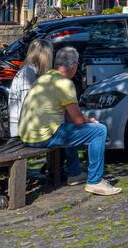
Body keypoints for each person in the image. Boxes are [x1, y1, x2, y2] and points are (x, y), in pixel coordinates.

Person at [17, 46, 121, 195]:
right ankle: (95, 181)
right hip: (43, 137)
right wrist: (91, 121)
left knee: (69, 127)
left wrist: (83, 121)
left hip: (27, 135)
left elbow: (70, 118)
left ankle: (74, 173)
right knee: (99, 131)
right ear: (74, 66)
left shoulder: (44, 78)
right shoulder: (65, 84)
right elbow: (78, 119)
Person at [7, 38, 54, 138]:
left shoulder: (34, 72)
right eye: (50, 55)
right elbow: (27, 106)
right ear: (44, 56)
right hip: (22, 129)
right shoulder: (28, 72)